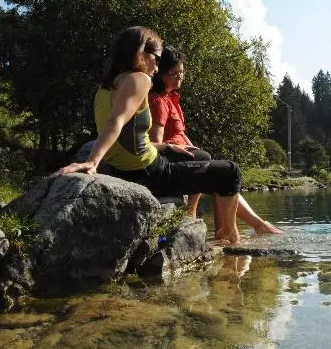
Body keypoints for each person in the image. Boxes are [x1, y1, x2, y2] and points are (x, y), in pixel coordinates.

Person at [52, 26, 242, 244]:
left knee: (200, 156)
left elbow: (129, 137)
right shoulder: (139, 79)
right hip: (148, 173)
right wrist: (92, 162)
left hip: (125, 167)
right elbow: (116, 121)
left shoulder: (107, 86)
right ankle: (228, 237)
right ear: (141, 52)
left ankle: (202, 225)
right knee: (230, 172)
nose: (157, 67)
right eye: (157, 59)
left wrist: (168, 147)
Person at [149, 46, 283, 235]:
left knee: (211, 165)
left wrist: (193, 148)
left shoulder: (171, 98)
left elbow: (180, 133)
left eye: (181, 72)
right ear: (161, 74)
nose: (179, 77)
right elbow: (156, 142)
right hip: (168, 163)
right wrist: (186, 151)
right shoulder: (158, 102)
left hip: (180, 157)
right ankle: (237, 229)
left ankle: (242, 227)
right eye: (174, 73)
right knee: (218, 171)